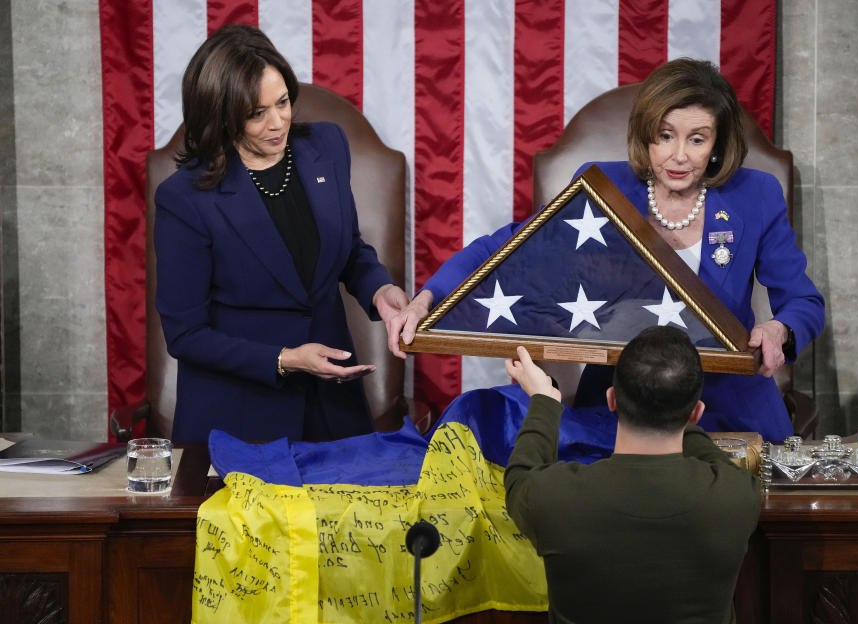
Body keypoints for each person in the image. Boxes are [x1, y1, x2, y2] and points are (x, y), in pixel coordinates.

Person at [388, 58, 824, 441]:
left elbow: (803, 301)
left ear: (717, 144)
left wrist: (779, 330)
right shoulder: (605, 186)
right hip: (619, 408)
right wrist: (429, 297)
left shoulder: (756, 195)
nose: (678, 156)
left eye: (697, 139)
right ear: (645, 135)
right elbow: (502, 247)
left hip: (727, 409)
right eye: (665, 135)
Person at [154, 25, 409, 444]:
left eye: (283, 102)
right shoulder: (185, 198)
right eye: (256, 113)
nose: (278, 123)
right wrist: (286, 359)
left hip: (333, 407)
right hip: (238, 418)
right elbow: (186, 335)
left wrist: (379, 291)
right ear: (220, 113)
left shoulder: (326, 146)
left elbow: (347, 250)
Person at [504, 326, 760, 624]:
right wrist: (675, 413)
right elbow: (713, 460)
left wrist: (544, 400)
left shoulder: (556, 497)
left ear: (611, 400)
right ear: (697, 413)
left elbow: (519, 476)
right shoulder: (737, 495)